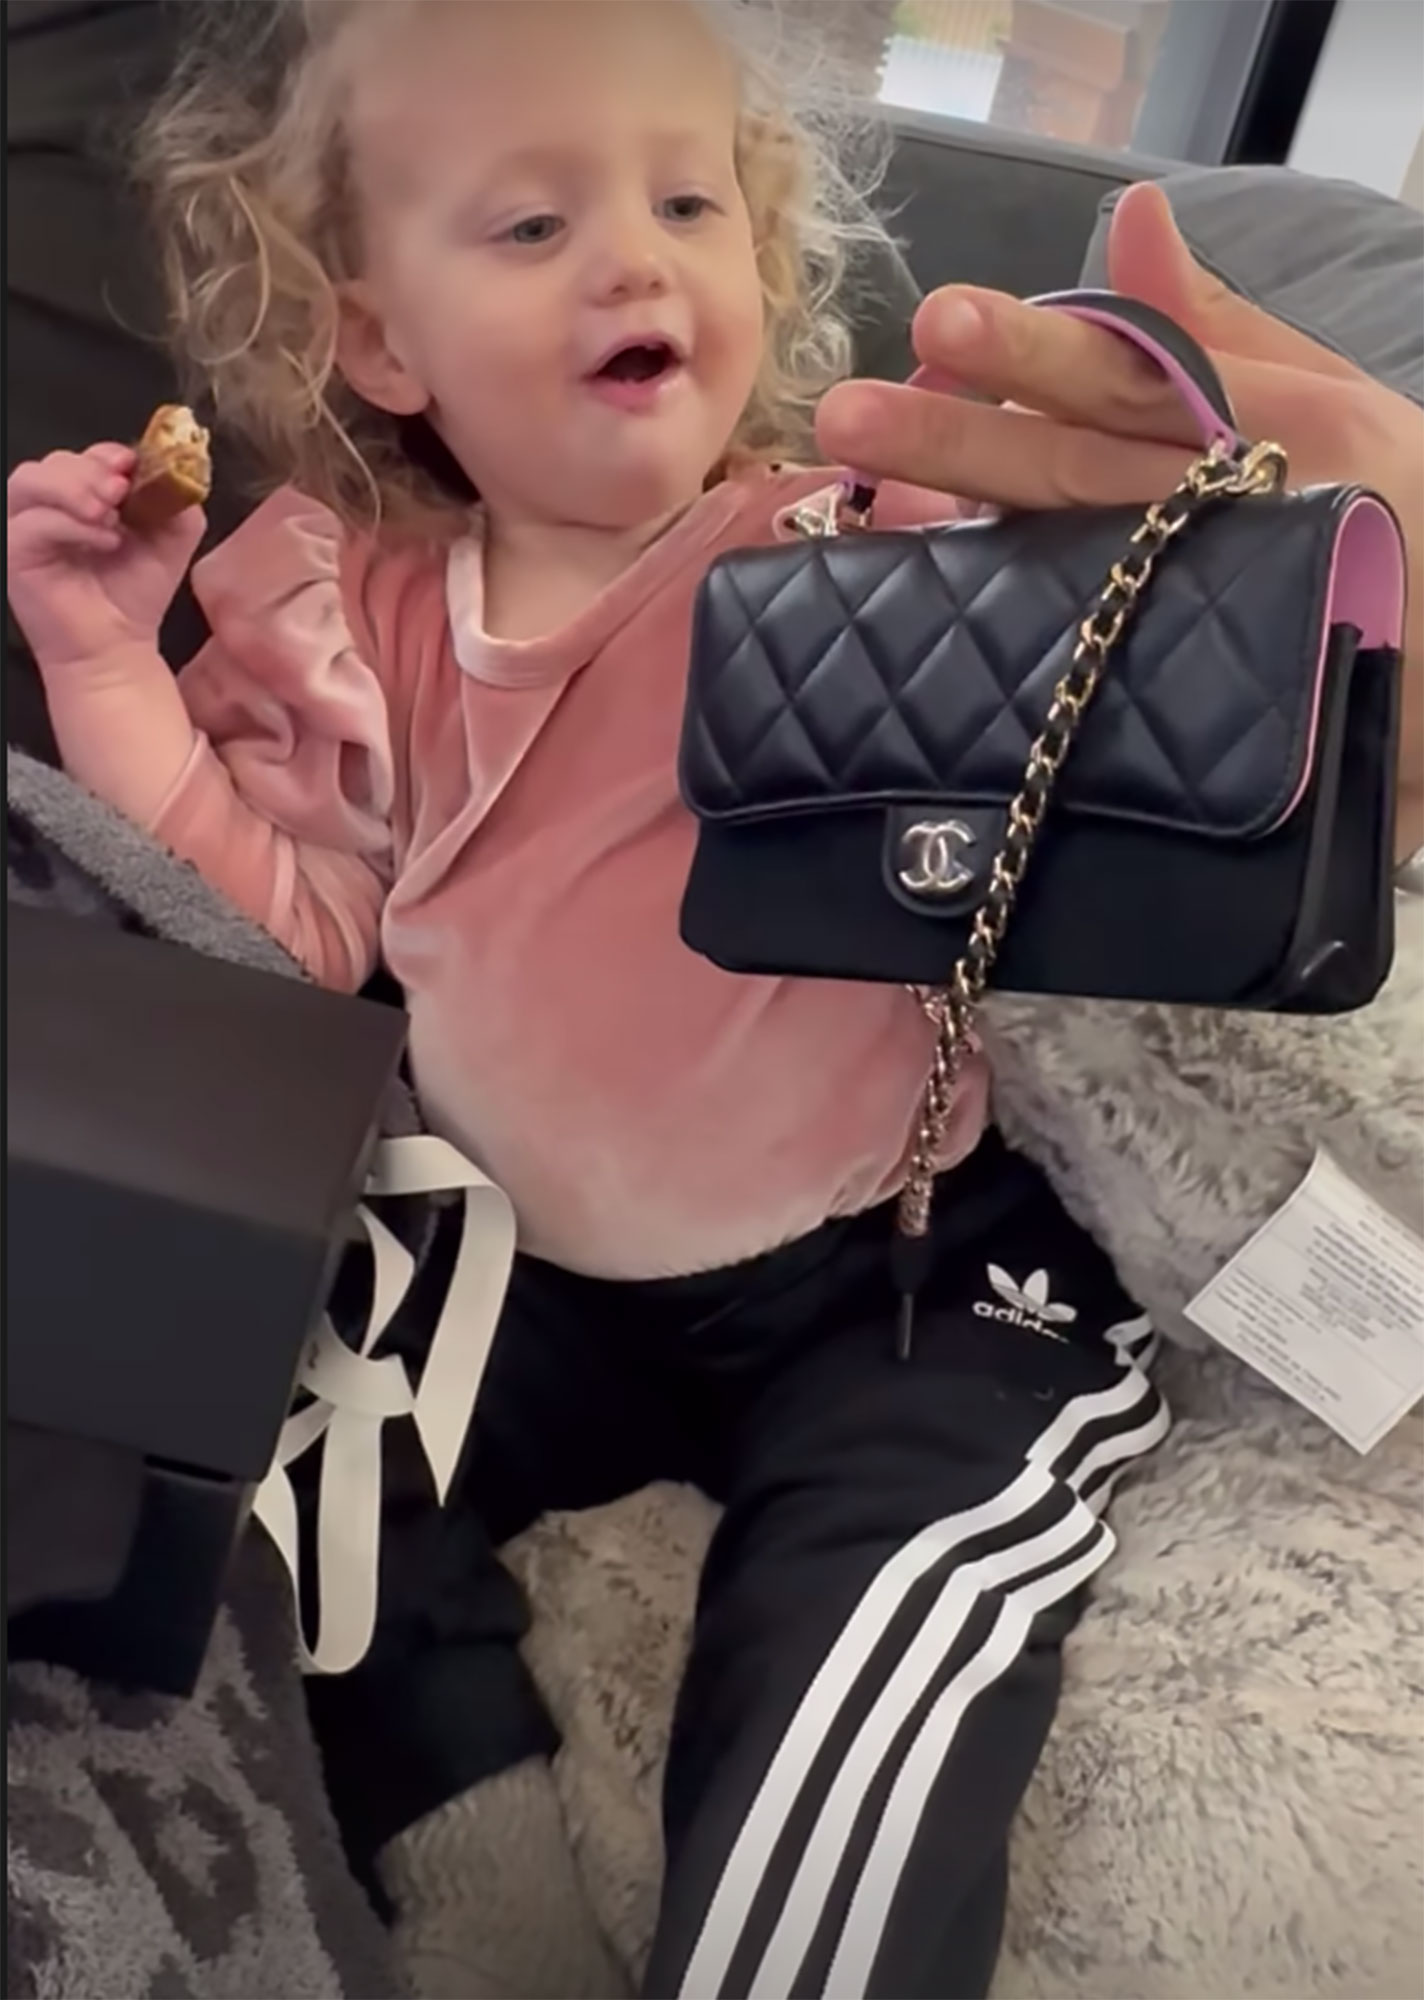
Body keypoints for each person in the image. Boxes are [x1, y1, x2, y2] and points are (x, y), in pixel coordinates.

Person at [5, 5, 1419, 1997]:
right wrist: (102, 668)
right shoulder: (350, 608)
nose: (634, 261)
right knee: (265, 1449)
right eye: (532, 225)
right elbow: (298, 935)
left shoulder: (855, 546)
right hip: (524, 1293)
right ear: (381, 339)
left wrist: (1234, 565)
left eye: (688, 203)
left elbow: (1126, 717)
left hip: (903, 1275)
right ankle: (477, 1869)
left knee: (871, 1635)